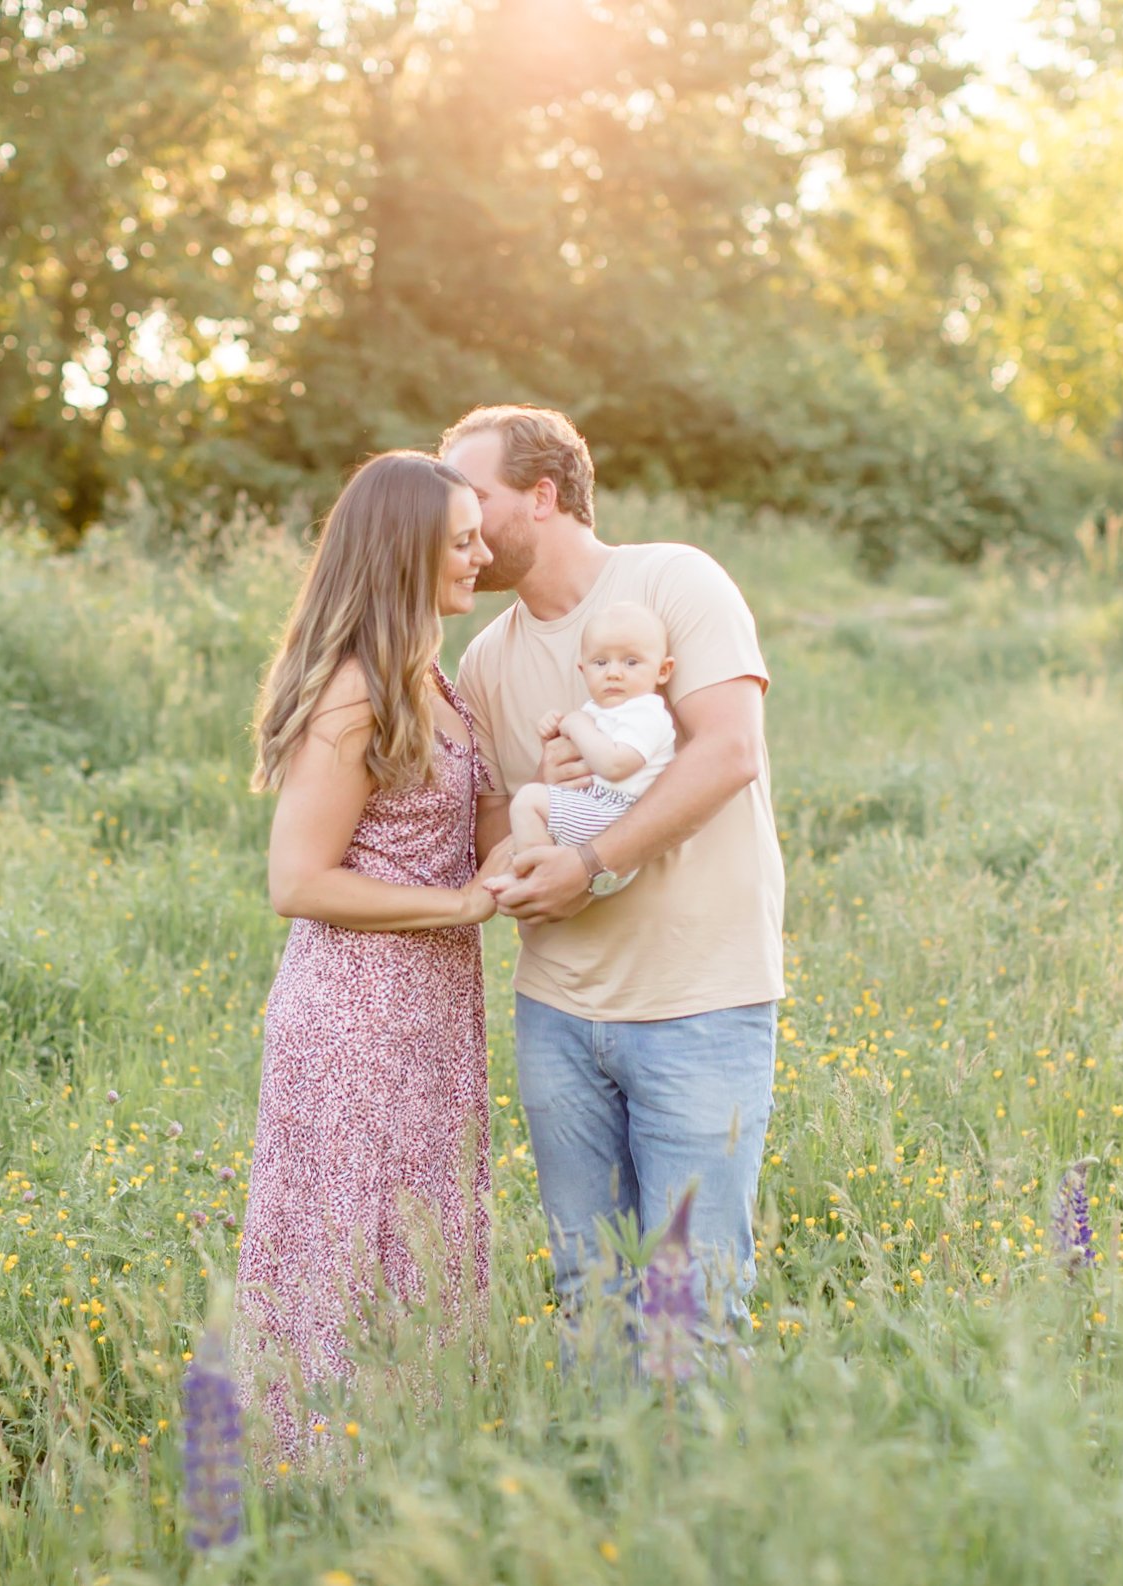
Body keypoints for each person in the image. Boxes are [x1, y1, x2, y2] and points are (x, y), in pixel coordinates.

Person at [445, 405, 785, 1341]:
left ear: (542, 497)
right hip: (558, 1016)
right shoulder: (484, 660)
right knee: (587, 1300)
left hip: (697, 1007)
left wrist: (591, 864)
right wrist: (523, 856)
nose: (454, 521)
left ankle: (687, 1490)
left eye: (472, 497)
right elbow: (488, 834)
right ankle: (598, 1487)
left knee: (691, 1306)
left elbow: (726, 755)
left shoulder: (674, 581)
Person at [233, 450, 507, 1455]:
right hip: (357, 1012)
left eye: (482, 532)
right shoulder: (357, 692)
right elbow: (298, 881)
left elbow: (477, 846)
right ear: (405, 551)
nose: (484, 553)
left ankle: (407, 1461)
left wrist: (554, 782)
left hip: (429, 1011)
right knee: (353, 1240)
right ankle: (318, 1477)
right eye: (463, 539)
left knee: (419, 1232)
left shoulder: (434, 678)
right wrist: (458, 903)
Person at [507, 601, 677, 866]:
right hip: (594, 805)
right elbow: (578, 757)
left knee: (528, 801)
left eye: (631, 662)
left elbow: (614, 764)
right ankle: (543, 866)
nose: (613, 673)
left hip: (619, 811)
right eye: (600, 662)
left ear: (663, 670)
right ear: (583, 670)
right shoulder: (599, 711)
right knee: (530, 803)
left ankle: (536, 871)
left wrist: (576, 724)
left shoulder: (646, 712)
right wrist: (554, 738)